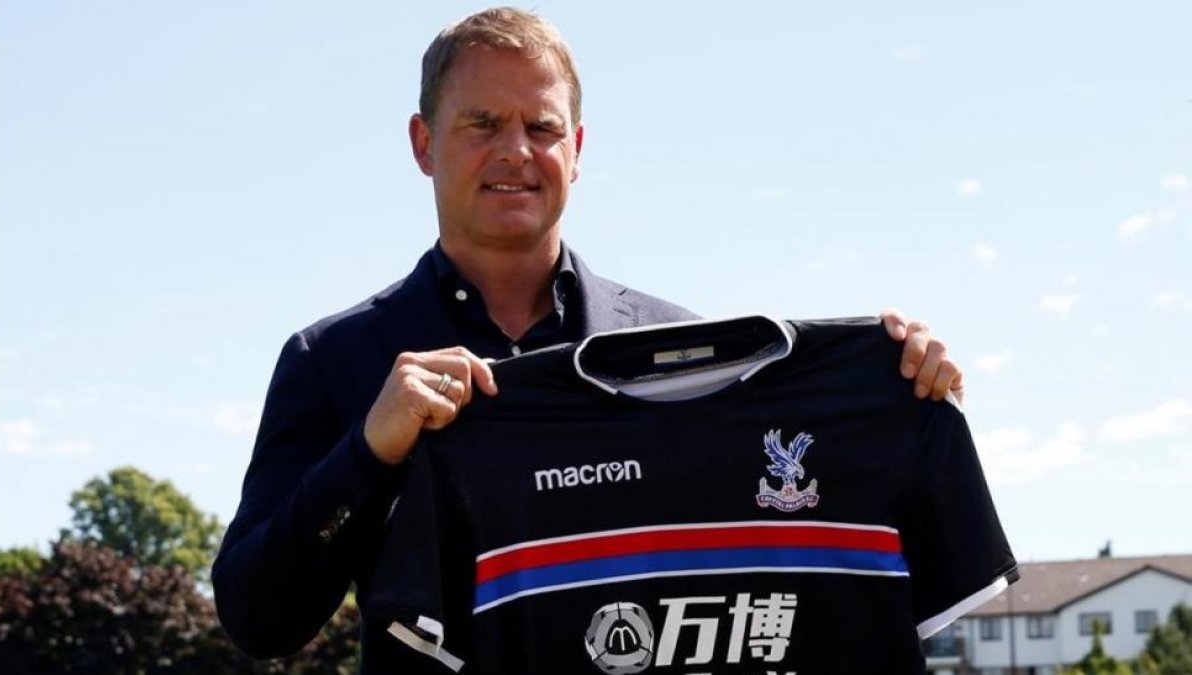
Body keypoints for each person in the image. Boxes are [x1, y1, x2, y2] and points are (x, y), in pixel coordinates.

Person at [211, 7, 964, 669]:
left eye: (540, 127)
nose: (515, 151)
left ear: (577, 147)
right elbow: (258, 618)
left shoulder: (686, 350)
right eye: (481, 123)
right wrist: (369, 454)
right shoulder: (333, 361)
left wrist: (907, 387)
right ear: (423, 143)